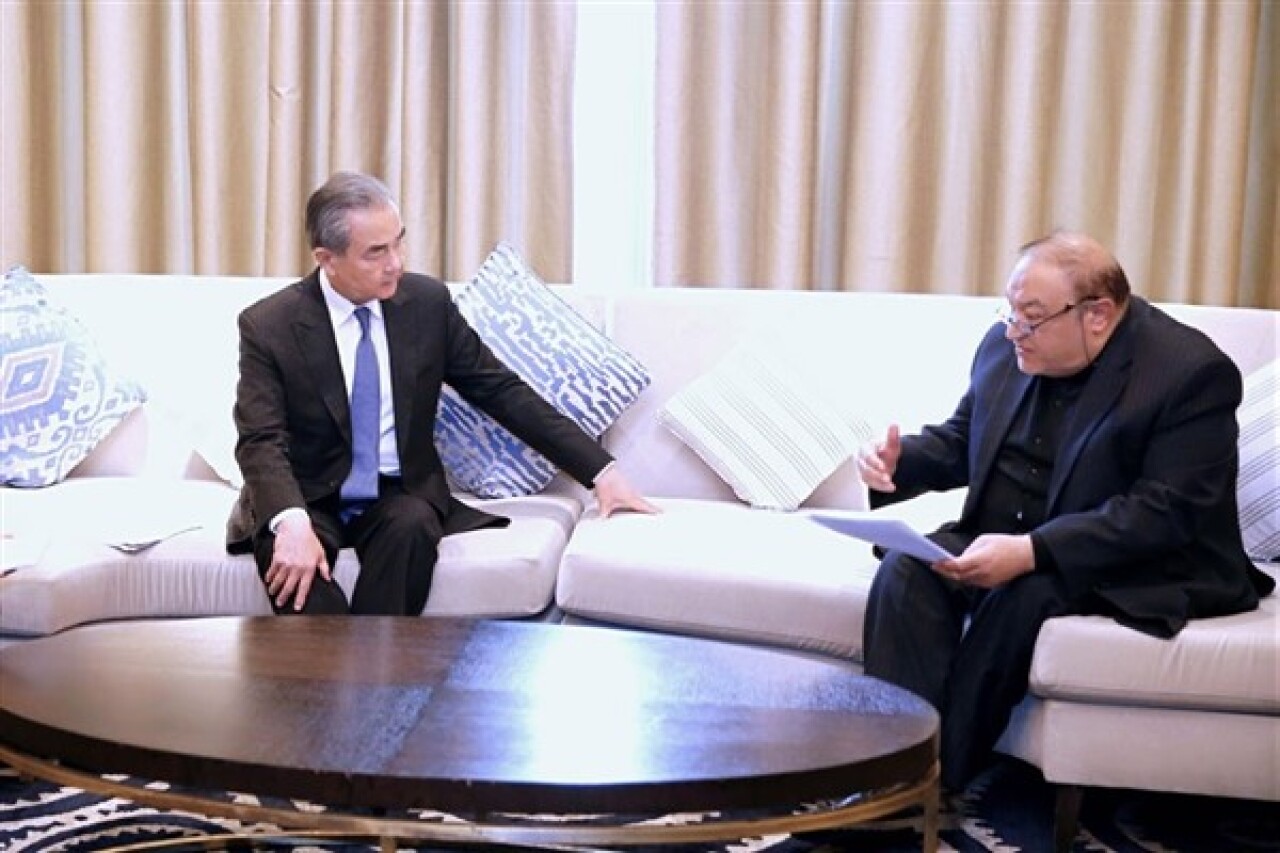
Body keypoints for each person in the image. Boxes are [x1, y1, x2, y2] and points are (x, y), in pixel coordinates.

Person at [857, 230, 1274, 792]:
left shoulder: (1189, 372)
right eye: (1010, 311)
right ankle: (888, 768)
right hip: (1005, 535)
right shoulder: (1005, 345)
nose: (1013, 330)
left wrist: (1032, 552)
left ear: (1096, 315)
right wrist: (899, 462)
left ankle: (929, 783)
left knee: (1026, 592)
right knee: (907, 569)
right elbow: (964, 440)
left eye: (1031, 318)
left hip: (1134, 559)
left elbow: (1165, 511)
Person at [226, 171, 656, 616]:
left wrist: (599, 470)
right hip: (305, 496)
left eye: (398, 243)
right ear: (326, 259)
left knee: (411, 527)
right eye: (376, 252)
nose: (396, 263)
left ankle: (366, 659)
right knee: (298, 583)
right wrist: (290, 520)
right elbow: (261, 439)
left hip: (397, 494)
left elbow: (500, 390)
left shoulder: (427, 304)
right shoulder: (269, 326)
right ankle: (354, 660)